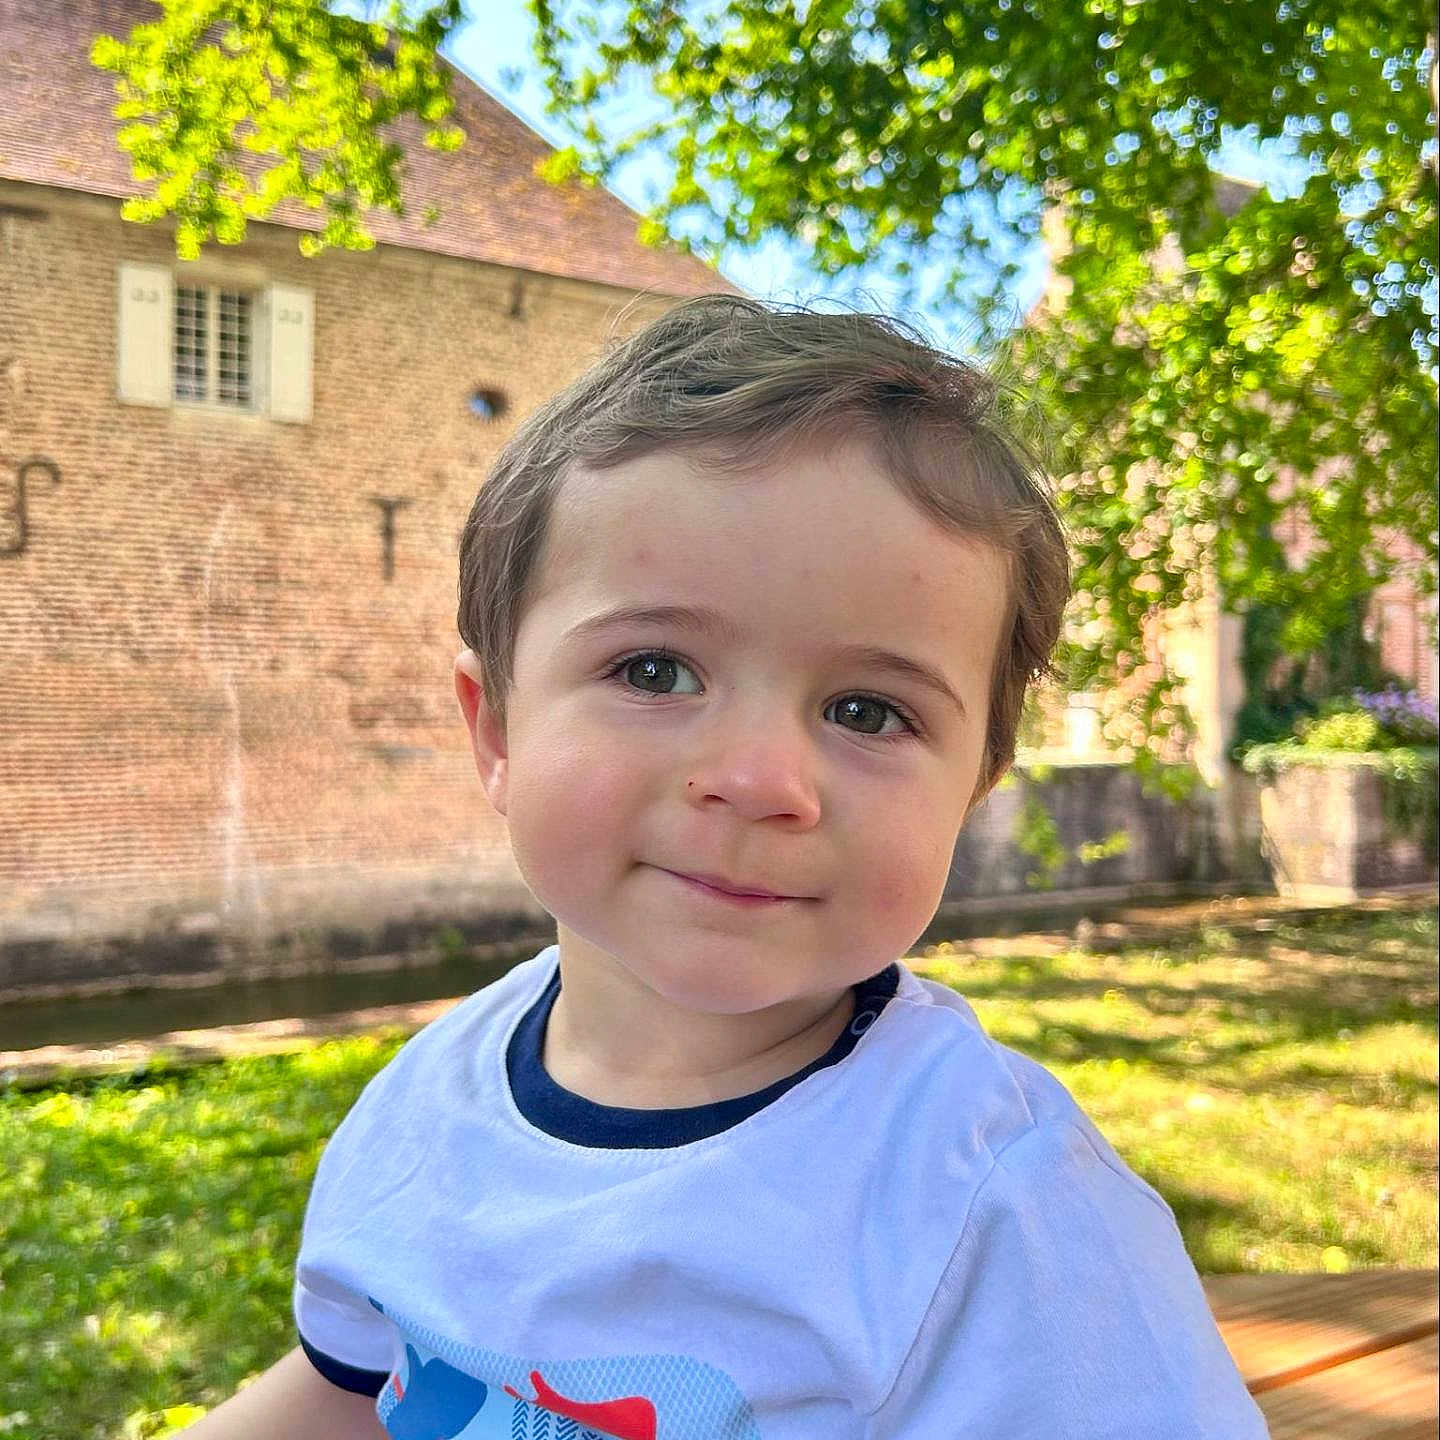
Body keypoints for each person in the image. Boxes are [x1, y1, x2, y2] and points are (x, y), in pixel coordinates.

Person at [184, 295, 1268, 1438]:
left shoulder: (1000, 1209)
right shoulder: (423, 1105)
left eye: (867, 709)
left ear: (973, 790)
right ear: (497, 728)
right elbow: (349, 1388)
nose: (758, 778)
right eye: (655, 671)